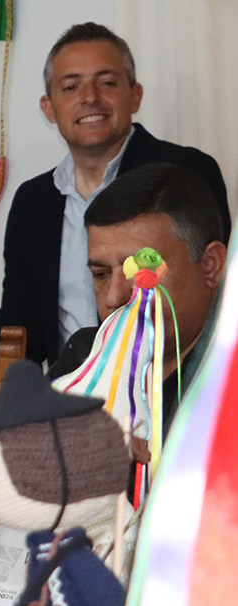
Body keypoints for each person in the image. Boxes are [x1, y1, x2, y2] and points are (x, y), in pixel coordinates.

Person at [0, 23, 228, 364]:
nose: (90, 97)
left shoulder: (183, 173)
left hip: (174, 380)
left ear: (135, 95)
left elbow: (217, 295)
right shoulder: (33, 201)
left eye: (107, 83)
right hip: (70, 387)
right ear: (49, 108)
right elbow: (19, 327)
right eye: (71, 86)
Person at [47, 162, 227, 430]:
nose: (113, 298)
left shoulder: (228, 377)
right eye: (100, 274)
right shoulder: (82, 359)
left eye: (141, 269)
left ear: (211, 265)